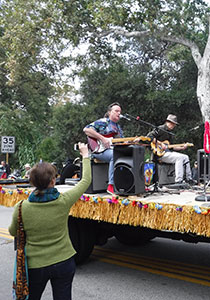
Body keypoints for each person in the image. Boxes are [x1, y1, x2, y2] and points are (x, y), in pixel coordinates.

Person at [8, 143, 91, 300]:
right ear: (53, 181)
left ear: (32, 182)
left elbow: (13, 231)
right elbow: (85, 181)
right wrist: (85, 155)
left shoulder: (21, 207)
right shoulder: (63, 201)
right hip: (64, 262)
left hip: (35, 266)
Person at [83, 102, 124, 194]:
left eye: (120, 112)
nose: (119, 113)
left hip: (111, 149)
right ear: (109, 112)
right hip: (99, 150)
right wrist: (103, 139)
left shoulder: (118, 128)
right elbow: (86, 130)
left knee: (129, 153)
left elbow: (121, 141)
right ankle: (111, 185)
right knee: (115, 155)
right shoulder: (103, 122)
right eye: (116, 111)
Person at [147, 114, 193, 184]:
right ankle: (178, 180)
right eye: (172, 124)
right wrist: (160, 144)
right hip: (160, 154)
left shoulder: (170, 133)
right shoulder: (161, 128)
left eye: (174, 124)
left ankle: (189, 179)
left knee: (185, 157)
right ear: (168, 122)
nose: (173, 126)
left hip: (168, 153)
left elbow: (172, 147)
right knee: (179, 158)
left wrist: (182, 148)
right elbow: (149, 137)